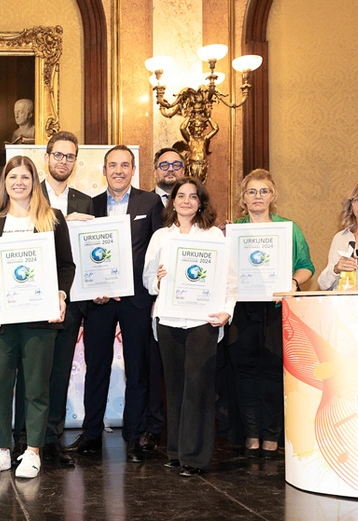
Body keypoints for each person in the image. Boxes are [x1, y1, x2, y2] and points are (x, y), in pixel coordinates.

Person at [0, 155, 75, 479]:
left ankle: (32, 450)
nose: (19, 182)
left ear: (35, 181)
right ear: (4, 183)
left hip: (39, 319)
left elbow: (66, 265)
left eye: (25, 177)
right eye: (13, 177)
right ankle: (1, 449)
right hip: (1, 321)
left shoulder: (52, 218)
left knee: (36, 386)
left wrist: (60, 295)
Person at [67, 145, 163, 463]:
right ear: (103, 170)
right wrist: (94, 288)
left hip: (136, 299)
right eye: (112, 165)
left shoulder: (149, 202)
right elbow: (83, 254)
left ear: (133, 169)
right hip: (99, 301)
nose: (118, 170)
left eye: (125, 165)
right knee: (97, 367)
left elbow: (156, 248)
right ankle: (91, 433)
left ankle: (134, 436)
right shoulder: (89, 205)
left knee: (137, 370)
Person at [143, 178, 237, 477]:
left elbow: (229, 280)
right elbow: (147, 282)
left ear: (201, 203)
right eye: (180, 196)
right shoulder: (160, 237)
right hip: (169, 319)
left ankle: (195, 457)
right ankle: (176, 451)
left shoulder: (215, 237)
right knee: (175, 387)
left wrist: (227, 311)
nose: (186, 201)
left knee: (198, 387)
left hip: (203, 319)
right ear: (172, 202)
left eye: (192, 197)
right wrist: (157, 278)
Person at [225, 169, 314, 459]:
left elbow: (306, 265)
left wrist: (294, 282)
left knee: (274, 372)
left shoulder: (289, 228)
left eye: (263, 191)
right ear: (243, 198)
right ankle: (251, 435)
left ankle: (273, 436)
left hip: (276, 310)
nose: (258, 197)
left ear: (273, 196)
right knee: (245, 373)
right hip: (242, 310)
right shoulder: (232, 229)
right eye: (252, 191)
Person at [32, 131, 93, 468]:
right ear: (47, 157)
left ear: (75, 162)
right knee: (30, 374)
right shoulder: (29, 194)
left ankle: (52, 440)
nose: (63, 162)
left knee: (58, 373)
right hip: (31, 299)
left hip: (69, 301)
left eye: (70, 157)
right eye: (58, 155)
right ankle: (28, 439)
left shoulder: (86, 201)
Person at [142, 147, 187, 452]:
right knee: (153, 367)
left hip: (191, 303)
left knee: (186, 368)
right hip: (149, 297)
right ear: (155, 170)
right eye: (164, 165)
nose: (170, 169)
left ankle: (184, 431)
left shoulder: (195, 206)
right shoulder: (143, 202)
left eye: (176, 164)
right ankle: (154, 427)